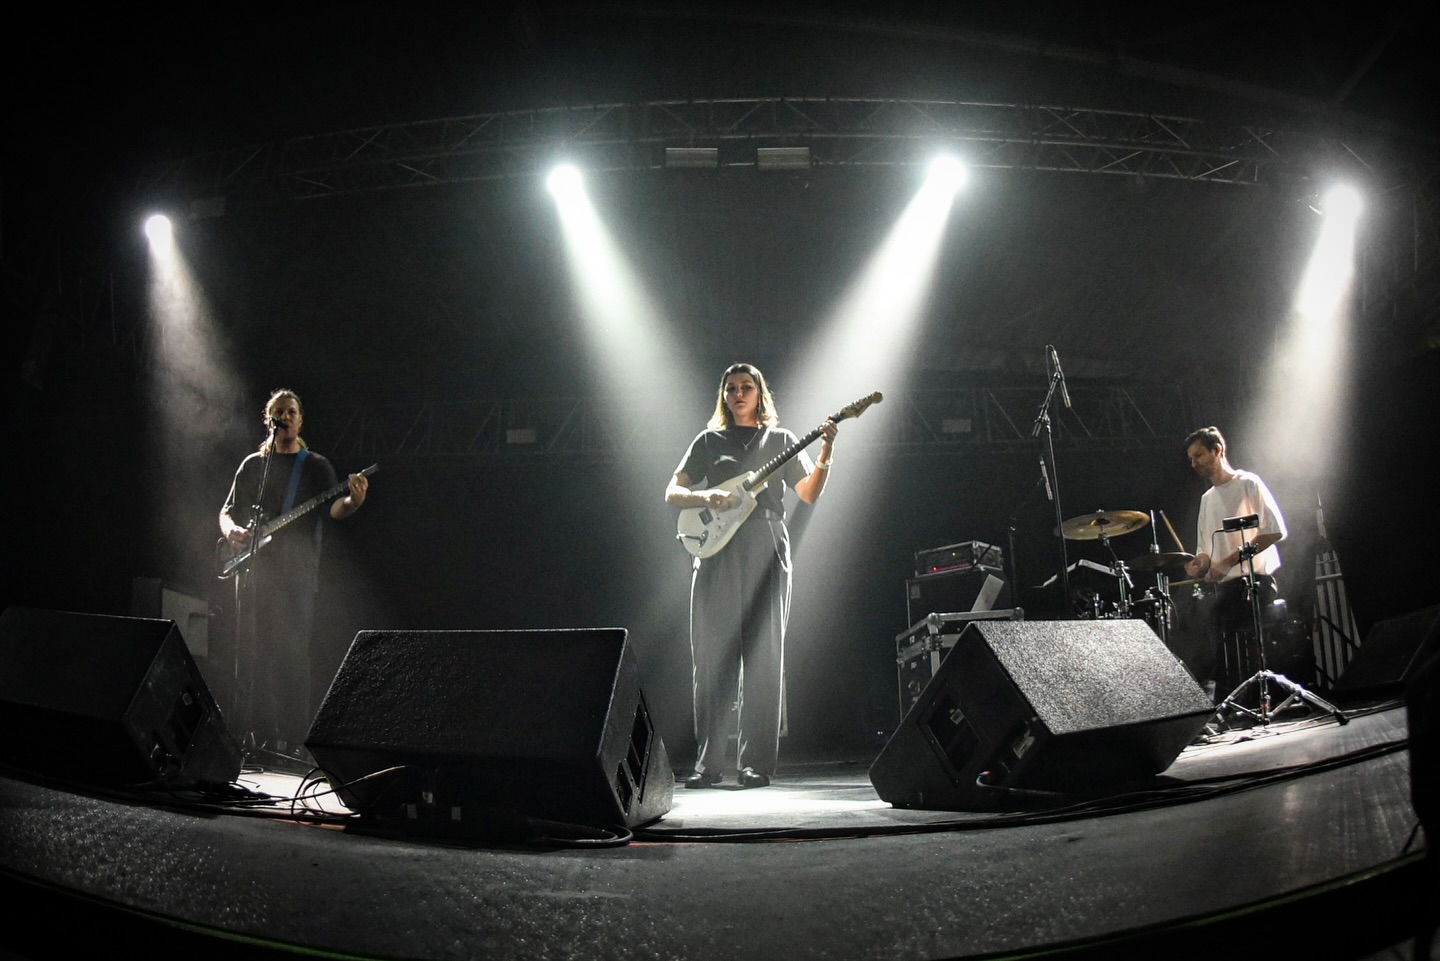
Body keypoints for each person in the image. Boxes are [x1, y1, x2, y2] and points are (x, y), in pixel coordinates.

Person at [665, 363, 837, 789]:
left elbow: (808, 493)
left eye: (747, 387)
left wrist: (827, 451)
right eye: (731, 388)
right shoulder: (708, 441)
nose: (739, 393)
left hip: (766, 543)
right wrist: (707, 495)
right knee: (710, 656)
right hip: (716, 551)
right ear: (723, 397)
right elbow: (672, 492)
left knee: (763, 656)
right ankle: (708, 765)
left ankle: (755, 764)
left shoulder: (780, 440)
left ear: (760, 394)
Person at [219, 388, 369, 760]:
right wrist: (232, 532)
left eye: (291, 411)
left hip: (297, 576)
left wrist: (354, 500)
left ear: (300, 421)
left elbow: (335, 510)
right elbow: (225, 512)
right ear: (269, 420)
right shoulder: (253, 464)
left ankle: (291, 742)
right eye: (278, 412)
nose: (285, 416)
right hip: (253, 572)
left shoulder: (315, 466)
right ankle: (247, 734)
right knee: (250, 651)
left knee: (291, 655)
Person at [1182, 426, 1287, 699]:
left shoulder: (1248, 483)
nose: (1195, 463)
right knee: (1190, 613)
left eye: (1199, 455)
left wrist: (1229, 561)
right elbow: (1205, 550)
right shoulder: (1207, 500)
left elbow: (1275, 531)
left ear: (1218, 450)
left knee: (1208, 615)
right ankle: (1205, 697)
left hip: (1257, 582)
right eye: (1191, 459)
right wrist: (1199, 564)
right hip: (1227, 589)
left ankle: (1213, 697)